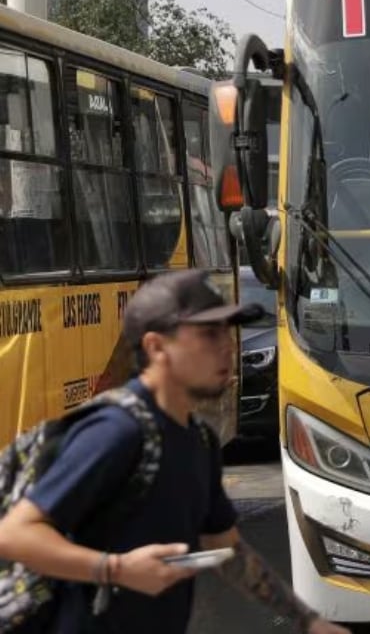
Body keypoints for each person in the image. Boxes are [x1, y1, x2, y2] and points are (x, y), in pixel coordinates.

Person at [0, 269, 350, 634]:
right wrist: (117, 569)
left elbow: (227, 549)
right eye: (208, 334)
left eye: (227, 332)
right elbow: (14, 534)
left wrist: (308, 621)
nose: (228, 346)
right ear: (156, 347)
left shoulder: (199, 439)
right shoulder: (118, 431)